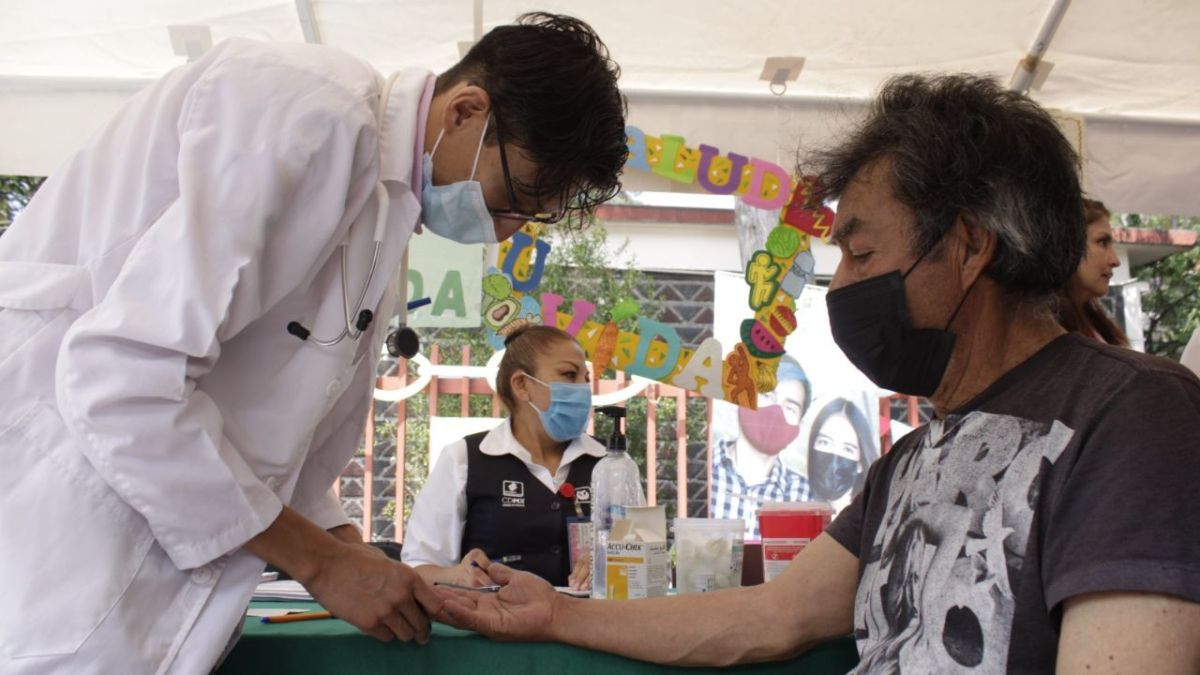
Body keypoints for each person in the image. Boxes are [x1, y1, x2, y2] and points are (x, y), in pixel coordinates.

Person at [435, 73, 1200, 673]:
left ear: (970, 247)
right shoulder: (910, 459)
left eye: (861, 254)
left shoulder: (1135, 419)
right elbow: (772, 616)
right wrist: (560, 613)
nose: (838, 289)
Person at [0, 13, 626, 673]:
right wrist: (322, 562)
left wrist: (360, 556)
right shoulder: (310, 109)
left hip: (130, 568)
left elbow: (273, 440)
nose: (503, 232)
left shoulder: (385, 213)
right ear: (466, 111)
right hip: (59, 521)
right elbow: (120, 380)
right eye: (515, 197)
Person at [402, 325, 602, 590]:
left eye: (586, 379)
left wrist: (609, 560)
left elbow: (645, 556)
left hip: (587, 626)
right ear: (522, 385)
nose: (583, 389)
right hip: (492, 626)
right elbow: (419, 567)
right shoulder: (464, 459)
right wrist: (456, 576)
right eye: (569, 374)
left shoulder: (609, 463)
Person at [710, 355, 812, 539]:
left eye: (790, 407)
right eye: (766, 395)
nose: (775, 411)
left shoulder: (806, 496)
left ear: (800, 425)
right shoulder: (699, 471)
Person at [1056, 197, 1129, 346]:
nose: (1115, 260)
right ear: (1067, 245)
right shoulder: (1044, 330)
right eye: (1102, 242)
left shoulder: (1092, 320)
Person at [805, 397, 877, 510]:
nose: (833, 463)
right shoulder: (795, 496)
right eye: (825, 442)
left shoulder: (871, 514)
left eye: (848, 449)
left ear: (860, 464)